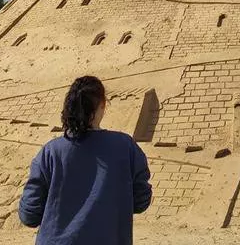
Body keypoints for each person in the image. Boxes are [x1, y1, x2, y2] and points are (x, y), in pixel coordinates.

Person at [19, 76, 152, 244]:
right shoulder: (126, 147)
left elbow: (29, 215)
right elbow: (141, 202)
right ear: (102, 105)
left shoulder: (50, 152)